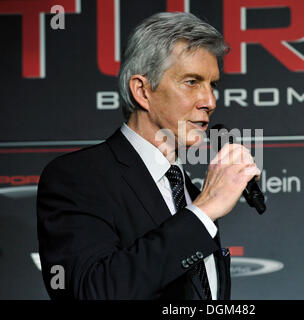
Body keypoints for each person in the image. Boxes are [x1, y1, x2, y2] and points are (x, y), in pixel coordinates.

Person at [36, 12, 261, 300]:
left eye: (212, 85)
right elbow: (90, 291)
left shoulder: (189, 193)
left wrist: (200, 210)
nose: (210, 101)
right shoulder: (78, 177)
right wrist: (202, 213)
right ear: (142, 91)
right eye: (192, 82)